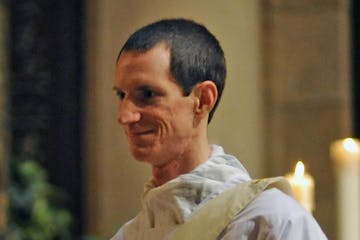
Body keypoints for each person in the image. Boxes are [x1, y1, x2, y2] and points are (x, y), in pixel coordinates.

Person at [111, 18, 327, 240]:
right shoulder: (129, 236)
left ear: (203, 100)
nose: (124, 116)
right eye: (121, 95)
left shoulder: (272, 221)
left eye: (147, 94)